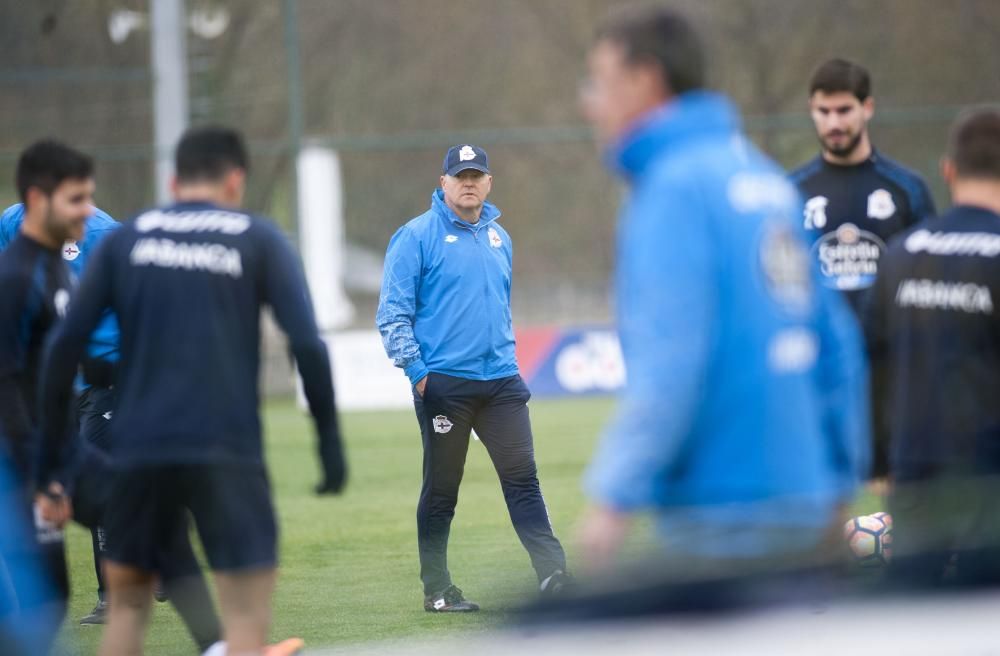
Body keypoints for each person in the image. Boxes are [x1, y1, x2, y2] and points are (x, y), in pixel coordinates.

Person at [576, 5, 869, 576]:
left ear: (645, 79)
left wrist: (613, 499)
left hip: (718, 507)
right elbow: (836, 345)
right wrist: (838, 479)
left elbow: (671, 360)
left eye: (600, 82)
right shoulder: (763, 178)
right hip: (802, 496)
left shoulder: (672, 188)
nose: (590, 101)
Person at [36, 126, 346, 656]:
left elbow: (65, 343)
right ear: (236, 180)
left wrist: (50, 459)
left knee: (127, 610)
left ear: (173, 180)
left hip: (137, 449)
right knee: (245, 615)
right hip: (225, 447)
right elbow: (307, 345)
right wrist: (328, 444)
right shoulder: (258, 236)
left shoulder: (126, 238)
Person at [1, 203, 224, 648]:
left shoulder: (106, 236)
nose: (84, 210)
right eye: (73, 196)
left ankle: (213, 641)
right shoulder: (15, 254)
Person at [376, 144, 571, 612]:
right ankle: (437, 590)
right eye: (459, 175)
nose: (468, 182)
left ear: (489, 183)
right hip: (445, 386)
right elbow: (393, 315)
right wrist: (421, 376)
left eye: (476, 175)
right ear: (442, 183)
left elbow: (498, 310)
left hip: (501, 383)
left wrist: (509, 364)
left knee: (524, 481)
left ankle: (554, 577)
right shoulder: (415, 236)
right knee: (442, 491)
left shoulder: (501, 238)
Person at [863, 107, 1000, 586]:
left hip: (913, 477)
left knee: (919, 623)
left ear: (949, 170)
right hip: (988, 485)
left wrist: (881, 463)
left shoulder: (899, 255)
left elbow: (872, 367)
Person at [790, 58, 936, 480]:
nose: (834, 122)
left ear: (867, 108)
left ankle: (879, 548)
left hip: (889, 373)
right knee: (825, 494)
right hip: (819, 373)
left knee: (883, 498)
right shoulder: (790, 192)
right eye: (824, 111)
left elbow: (928, 280)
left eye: (844, 110)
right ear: (812, 111)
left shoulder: (906, 190)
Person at [0, 139, 94, 654]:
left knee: (53, 599)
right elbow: (7, 384)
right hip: (16, 464)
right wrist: (42, 479)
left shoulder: (58, 268)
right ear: (38, 199)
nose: (88, 211)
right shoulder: (13, 277)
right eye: (76, 199)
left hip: (48, 456)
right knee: (37, 609)